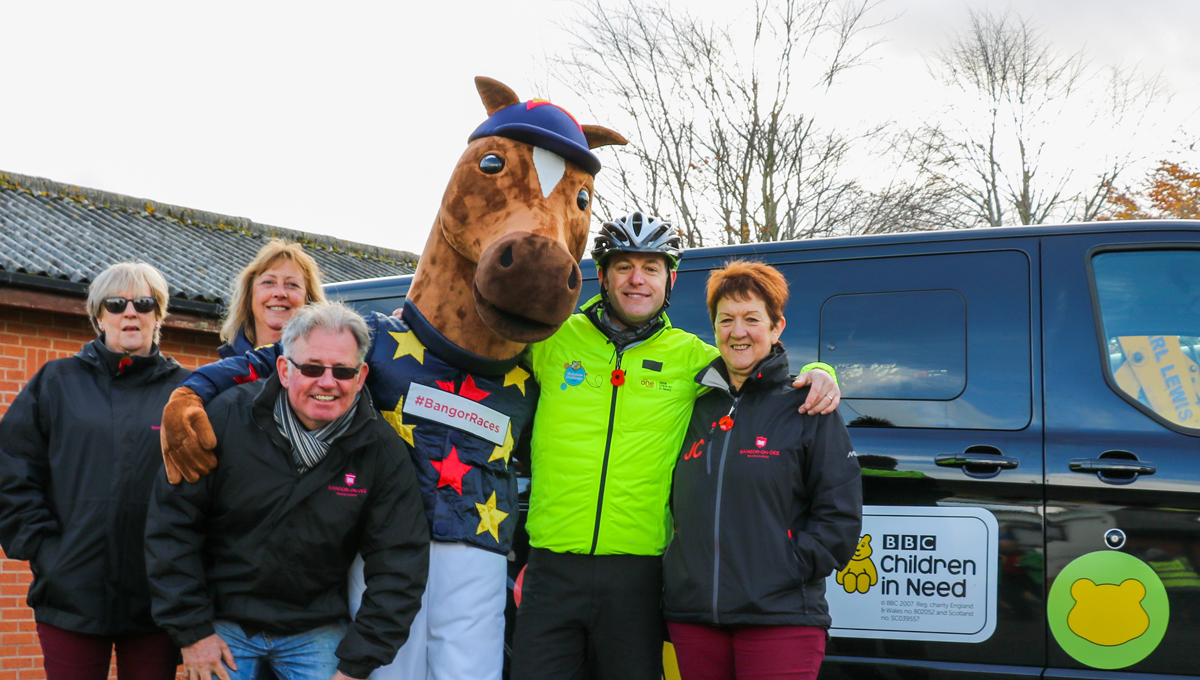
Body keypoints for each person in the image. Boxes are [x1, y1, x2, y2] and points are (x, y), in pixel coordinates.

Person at [510, 213, 842, 680]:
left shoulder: (692, 358)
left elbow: (760, 364)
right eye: (623, 266)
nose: (637, 280)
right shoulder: (553, 338)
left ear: (670, 279)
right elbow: (478, 344)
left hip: (639, 575)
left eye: (651, 267)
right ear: (602, 276)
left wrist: (823, 375)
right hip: (550, 568)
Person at [144, 303, 430, 680]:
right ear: (283, 369)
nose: (327, 382)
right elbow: (172, 528)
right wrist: (193, 633)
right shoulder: (225, 421)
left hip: (316, 628)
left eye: (342, 371)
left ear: (361, 377)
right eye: (311, 368)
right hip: (223, 623)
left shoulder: (381, 452)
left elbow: (400, 564)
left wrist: (357, 665)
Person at [662, 260, 862, 680]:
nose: (738, 332)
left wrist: (782, 566)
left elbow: (839, 518)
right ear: (713, 328)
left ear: (777, 327)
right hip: (695, 616)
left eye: (752, 318)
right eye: (726, 320)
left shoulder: (808, 406)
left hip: (780, 616)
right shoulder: (690, 407)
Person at [0, 262, 189, 680]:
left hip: (157, 599)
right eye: (116, 303)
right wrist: (45, 550)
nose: (130, 312)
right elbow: (11, 467)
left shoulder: (186, 393)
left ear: (158, 315)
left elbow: (209, 487)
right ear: (98, 315)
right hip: (71, 596)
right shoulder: (56, 382)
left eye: (144, 302)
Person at [218, 239, 325, 358]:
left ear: (309, 299)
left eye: (292, 284)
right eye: (268, 282)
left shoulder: (327, 370)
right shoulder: (223, 372)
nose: (280, 293)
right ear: (249, 294)